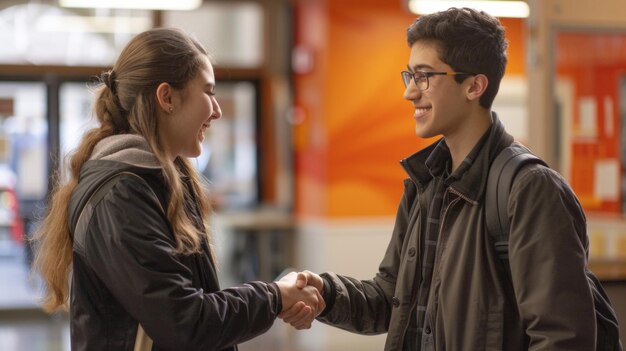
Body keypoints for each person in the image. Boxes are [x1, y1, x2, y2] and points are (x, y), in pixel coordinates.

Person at [281, 7, 599, 351]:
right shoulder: (425, 184)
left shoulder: (530, 189)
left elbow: (563, 338)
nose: (410, 92)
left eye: (425, 76)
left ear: (474, 86)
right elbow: (392, 300)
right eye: (411, 76)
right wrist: (325, 293)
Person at [32, 27, 323, 351]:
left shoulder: (159, 180)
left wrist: (275, 297)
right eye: (208, 92)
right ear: (167, 97)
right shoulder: (121, 196)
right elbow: (186, 322)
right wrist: (275, 297)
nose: (217, 110)